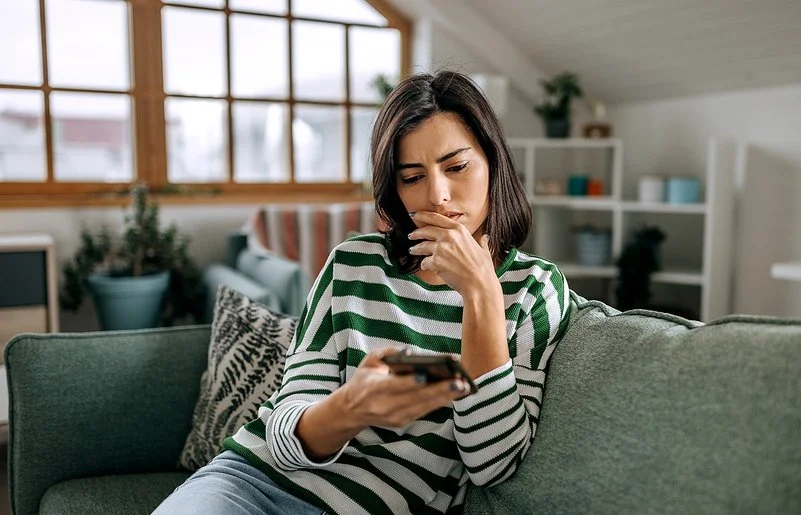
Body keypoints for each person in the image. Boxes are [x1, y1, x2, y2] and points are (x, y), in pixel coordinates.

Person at [153, 70, 572, 515]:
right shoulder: (353, 264)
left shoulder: (534, 290)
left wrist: (482, 294)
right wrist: (353, 406)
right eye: (412, 177)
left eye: (456, 166)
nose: (438, 195)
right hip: (250, 485)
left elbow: (493, 465)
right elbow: (282, 436)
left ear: (494, 163)